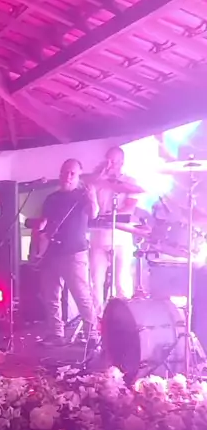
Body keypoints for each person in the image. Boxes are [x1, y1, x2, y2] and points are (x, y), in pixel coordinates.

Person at [32, 159, 99, 345]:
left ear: (78, 176)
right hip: (52, 251)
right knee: (50, 295)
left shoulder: (83, 196)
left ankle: (92, 334)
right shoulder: (51, 198)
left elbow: (93, 213)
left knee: (81, 295)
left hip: (74, 252)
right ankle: (56, 333)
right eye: (65, 172)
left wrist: (93, 197)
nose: (67, 176)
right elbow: (45, 223)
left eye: (72, 173)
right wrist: (40, 233)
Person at [89, 146, 139, 316]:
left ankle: (125, 319)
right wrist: (98, 177)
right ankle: (97, 319)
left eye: (114, 161)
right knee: (96, 280)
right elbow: (90, 203)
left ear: (122, 162)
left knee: (121, 281)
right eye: (108, 160)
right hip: (98, 237)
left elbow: (130, 207)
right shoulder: (98, 181)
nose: (110, 164)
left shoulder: (130, 181)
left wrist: (111, 216)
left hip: (121, 237)